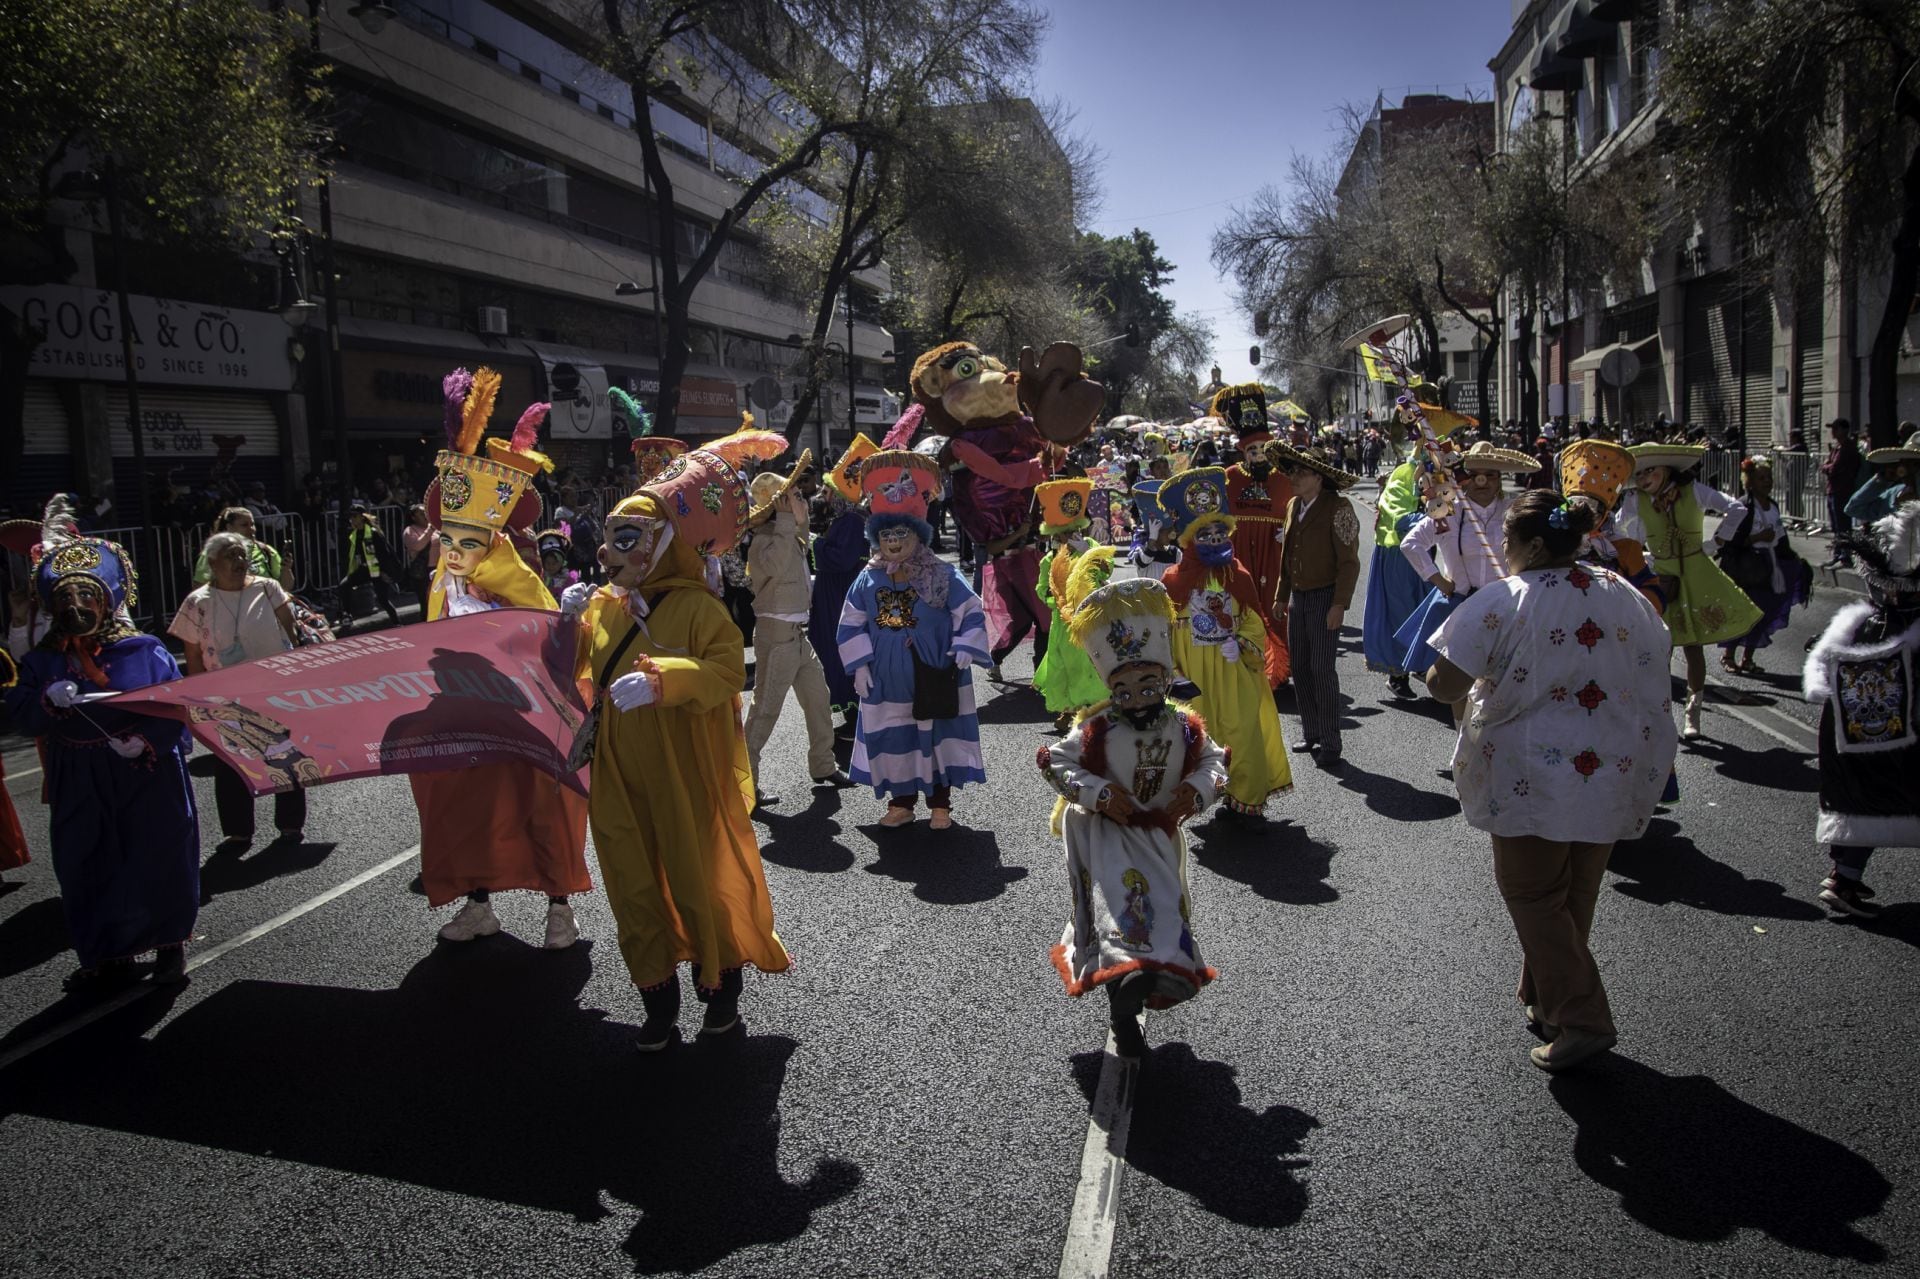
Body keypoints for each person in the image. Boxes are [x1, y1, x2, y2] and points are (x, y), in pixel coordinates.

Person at [1424, 491, 1678, 1073]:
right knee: (1572, 894)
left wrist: (1454, 657)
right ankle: (1546, 999)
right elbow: (1656, 654)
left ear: (1534, 545)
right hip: (1612, 764)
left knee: (1534, 894)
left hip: (1533, 774)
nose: (1502, 550)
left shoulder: (1505, 598)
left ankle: (1583, 1019)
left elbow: (1443, 685)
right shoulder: (1621, 591)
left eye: (1508, 540)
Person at [574, 426, 795, 1048]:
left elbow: (725, 672)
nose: (608, 554)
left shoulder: (698, 608)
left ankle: (719, 992)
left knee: (696, 877)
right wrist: (563, 629)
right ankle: (657, 1000)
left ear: (664, 543)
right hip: (617, 774)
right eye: (609, 537)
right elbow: (577, 673)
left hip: (682, 771)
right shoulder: (604, 606)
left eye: (627, 538)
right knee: (632, 883)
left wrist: (665, 681)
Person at [417, 372, 591, 948]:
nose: (456, 545)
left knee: (543, 801)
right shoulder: (441, 578)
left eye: (468, 535)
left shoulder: (514, 570)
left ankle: (559, 907)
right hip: (463, 710)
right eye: (450, 533)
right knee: (465, 806)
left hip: (523, 710)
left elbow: (549, 640)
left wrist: (563, 623)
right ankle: (478, 905)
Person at [1039, 577, 1229, 1059]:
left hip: (1159, 837)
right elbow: (1054, 761)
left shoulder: (1184, 726)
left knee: (1161, 911)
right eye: (1124, 691)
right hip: (1106, 835)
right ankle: (1123, 1011)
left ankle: (1144, 984)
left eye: (1147, 687)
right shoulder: (1097, 728)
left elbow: (1216, 762)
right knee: (1120, 914)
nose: (1138, 698)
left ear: (1164, 681)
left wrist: (1196, 790)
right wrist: (1100, 794)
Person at [4, 531, 200, 994]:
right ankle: (108, 950)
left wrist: (145, 741)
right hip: (78, 774)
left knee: (157, 853)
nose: (75, 605)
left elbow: (176, 707)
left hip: (143, 771)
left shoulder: (143, 649)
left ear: (106, 600)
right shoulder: (43, 661)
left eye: (85, 594)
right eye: (64, 597)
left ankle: (169, 945)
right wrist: (45, 700)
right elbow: (21, 713)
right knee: (87, 861)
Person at [837, 449, 989, 830]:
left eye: (900, 533)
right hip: (885, 680)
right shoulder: (867, 577)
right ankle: (901, 803)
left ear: (917, 535)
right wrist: (859, 665)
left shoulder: (939, 573)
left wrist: (965, 645)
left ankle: (940, 805)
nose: (893, 541)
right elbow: (851, 620)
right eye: (886, 534)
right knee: (895, 738)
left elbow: (971, 608)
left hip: (932, 671)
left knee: (935, 735)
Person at [1805, 501, 1920, 917]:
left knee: (1863, 801)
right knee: (1887, 795)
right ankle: (1844, 879)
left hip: (1853, 740)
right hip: (1896, 739)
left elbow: (1819, 676)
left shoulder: (1858, 623)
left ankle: (1844, 876)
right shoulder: (1898, 627)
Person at [1158, 466, 1291, 820]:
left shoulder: (1239, 574)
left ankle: (1246, 804)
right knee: (1199, 738)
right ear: (1190, 539)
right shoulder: (1172, 581)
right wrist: (1172, 671)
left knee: (1242, 733)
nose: (1216, 539)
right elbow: (1161, 631)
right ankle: (1199, 796)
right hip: (1194, 677)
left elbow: (1254, 620)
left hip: (1233, 672)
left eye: (1221, 531)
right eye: (1206, 533)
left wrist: (1243, 643)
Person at [1615, 444, 1761, 739]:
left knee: (1693, 648)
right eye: (1639, 474)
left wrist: (1716, 542)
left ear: (1666, 469)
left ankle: (1693, 714)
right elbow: (1619, 530)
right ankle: (1661, 714)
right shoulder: (1635, 499)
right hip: (1661, 578)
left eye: (1650, 471)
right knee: (1660, 647)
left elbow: (1736, 508)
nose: (1644, 479)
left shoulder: (1693, 490)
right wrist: (1639, 551)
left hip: (1696, 575)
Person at [169, 532, 304, 848]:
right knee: (231, 763)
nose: (239, 561)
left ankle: (290, 825)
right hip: (225, 697)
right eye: (230, 555)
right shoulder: (198, 602)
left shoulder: (267, 588)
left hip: (274, 690)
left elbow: (293, 635)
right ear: (213, 563)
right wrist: (199, 699)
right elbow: (193, 657)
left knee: (284, 754)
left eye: (242, 554)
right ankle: (238, 831)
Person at [1395, 442, 1540, 721]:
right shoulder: (1448, 511)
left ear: (1500, 479)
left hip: (1507, 607)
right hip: (1464, 606)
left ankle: (1495, 734)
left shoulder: (1513, 513)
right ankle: (1462, 737)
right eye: (1474, 475)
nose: (1482, 481)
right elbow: (1411, 543)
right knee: (1460, 682)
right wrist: (1438, 580)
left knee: (1503, 678)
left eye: (1491, 475)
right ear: (1463, 477)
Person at [742, 452, 851, 807]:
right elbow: (774, 566)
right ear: (779, 507)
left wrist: (792, 517)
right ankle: (745, 784)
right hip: (776, 636)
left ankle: (823, 765)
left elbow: (800, 535)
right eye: (794, 496)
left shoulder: (790, 534)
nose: (804, 498)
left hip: (797, 635)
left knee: (819, 700)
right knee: (764, 711)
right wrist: (788, 517)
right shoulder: (765, 540)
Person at [1270, 441, 1362, 767]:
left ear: (1319, 477)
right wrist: (1282, 594)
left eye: (1301, 472)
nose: (1293, 477)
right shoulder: (1294, 505)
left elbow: (1349, 563)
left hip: (1325, 597)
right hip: (1299, 597)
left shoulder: (1339, 507)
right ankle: (1311, 732)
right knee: (1301, 668)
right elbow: (1287, 555)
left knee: (1322, 670)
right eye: (1292, 471)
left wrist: (1339, 604)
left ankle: (1331, 742)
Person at [1211, 385, 1295, 691]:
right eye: (1252, 450)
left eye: (1262, 449)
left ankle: (1276, 669)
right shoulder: (1229, 476)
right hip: (1238, 553)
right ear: (1243, 452)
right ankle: (1241, 666)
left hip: (1273, 553)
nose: (1258, 455)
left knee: (1273, 607)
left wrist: (1288, 530)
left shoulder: (1284, 477)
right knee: (1239, 606)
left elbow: (1296, 509)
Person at [1712, 457, 1812, 673]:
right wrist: (1756, 538)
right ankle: (1728, 656)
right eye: (1761, 478)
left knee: (1762, 613)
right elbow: (1727, 539)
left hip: (1769, 567)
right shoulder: (1742, 507)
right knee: (1741, 613)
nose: (1767, 482)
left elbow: (1780, 538)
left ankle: (1748, 658)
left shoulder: (1773, 506)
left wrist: (1795, 561)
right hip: (1746, 569)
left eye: (1769, 477)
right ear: (1750, 482)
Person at [811, 436, 880, 732]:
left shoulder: (851, 520)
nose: (823, 495)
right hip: (835, 593)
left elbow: (841, 559)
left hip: (840, 595)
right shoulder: (845, 519)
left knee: (841, 649)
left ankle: (856, 716)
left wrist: (816, 544)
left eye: (828, 491)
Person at [1032, 478, 1109, 731]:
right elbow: (1042, 590)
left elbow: (1107, 570)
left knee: (1093, 663)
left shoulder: (1091, 547)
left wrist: (1087, 553)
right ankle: (1070, 709)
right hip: (1064, 624)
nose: (1065, 537)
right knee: (1066, 666)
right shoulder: (1049, 560)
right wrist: (1058, 599)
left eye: (1069, 532)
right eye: (1061, 534)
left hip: (1093, 617)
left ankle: (1095, 708)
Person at [1362, 450, 1426, 698]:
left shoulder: (1441, 478)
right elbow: (1399, 518)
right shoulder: (1402, 478)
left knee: (1428, 608)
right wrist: (1433, 517)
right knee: (1403, 611)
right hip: (1397, 555)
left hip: (1425, 554)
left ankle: (1421, 662)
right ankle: (1398, 673)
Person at [191, 505, 291, 588]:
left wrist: (286, 570)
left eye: (252, 524)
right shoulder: (213, 554)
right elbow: (199, 587)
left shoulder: (266, 550)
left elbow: (285, 588)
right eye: (244, 525)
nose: (252, 529)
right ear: (229, 527)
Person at [335, 502, 400, 627]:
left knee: (383, 600)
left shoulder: (373, 533)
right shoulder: (354, 534)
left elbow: (384, 554)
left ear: (362, 517)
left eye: (354, 516)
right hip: (365, 569)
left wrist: (384, 572)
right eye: (350, 516)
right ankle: (347, 615)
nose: (352, 519)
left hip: (378, 571)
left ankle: (397, 623)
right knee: (344, 586)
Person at [1821, 419, 1863, 568]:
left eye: (1835, 428)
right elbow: (1826, 465)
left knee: (1842, 525)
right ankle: (1838, 553)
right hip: (1833, 489)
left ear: (1843, 430)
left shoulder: (1847, 448)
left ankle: (1845, 556)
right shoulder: (1837, 447)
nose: (1833, 432)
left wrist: (1827, 467)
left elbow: (1834, 468)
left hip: (1842, 490)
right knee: (1836, 525)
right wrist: (1827, 466)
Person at [400, 503, 436, 600]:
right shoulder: (409, 531)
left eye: (426, 512)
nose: (425, 515)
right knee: (426, 602)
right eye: (421, 514)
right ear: (413, 517)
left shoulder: (437, 528)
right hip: (424, 571)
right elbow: (418, 546)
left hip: (439, 567)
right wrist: (430, 529)